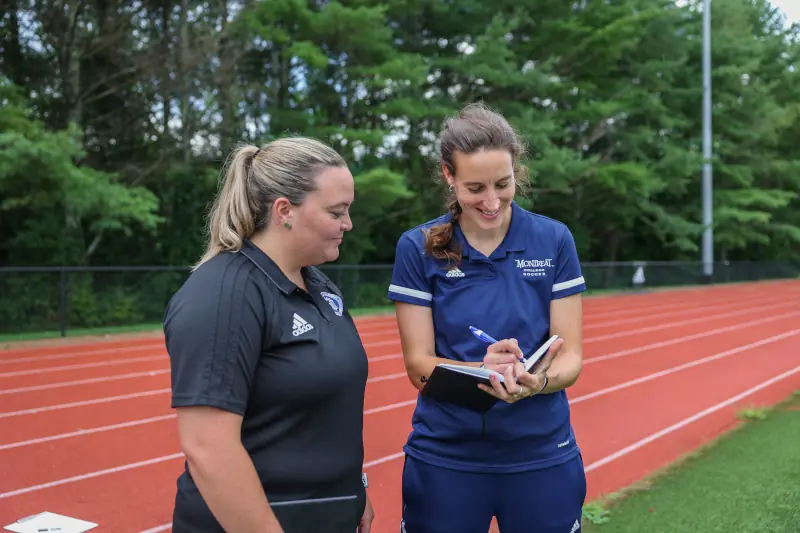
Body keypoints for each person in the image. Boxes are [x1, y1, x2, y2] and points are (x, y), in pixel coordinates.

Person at [387, 103, 587, 533]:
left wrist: (537, 384)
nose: (492, 201)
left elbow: (569, 358)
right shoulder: (417, 247)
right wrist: (480, 371)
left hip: (541, 451)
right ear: (448, 175)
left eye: (503, 183)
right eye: (475, 187)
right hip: (447, 456)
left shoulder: (553, 240)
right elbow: (419, 366)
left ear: (517, 170)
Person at [163, 137, 375, 533]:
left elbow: (330, 413)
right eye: (337, 212)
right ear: (285, 211)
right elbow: (208, 447)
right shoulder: (223, 294)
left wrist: (354, 490)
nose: (348, 224)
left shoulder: (320, 285)